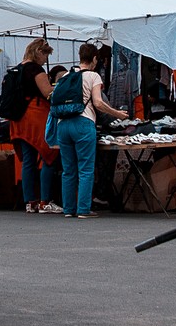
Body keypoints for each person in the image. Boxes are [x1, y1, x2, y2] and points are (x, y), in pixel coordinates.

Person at [54, 43, 128, 219]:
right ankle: (83, 209)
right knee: (86, 169)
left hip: (63, 125)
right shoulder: (93, 76)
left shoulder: (65, 75)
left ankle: (68, 209)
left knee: (68, 170)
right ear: (94, 59)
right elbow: (98, 103)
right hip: (83, 123)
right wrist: (118, 114)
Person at [9, 38, 62, 214]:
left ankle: (30, 202)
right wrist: (61, 87)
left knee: (28, 160)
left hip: (18, 119)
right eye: (46, 54)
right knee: (49, 155)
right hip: (35, 117)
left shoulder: (18, 68)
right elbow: (47, 92)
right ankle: (45, 201)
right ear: (39, 51)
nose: (46, 59)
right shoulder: (35, 69)